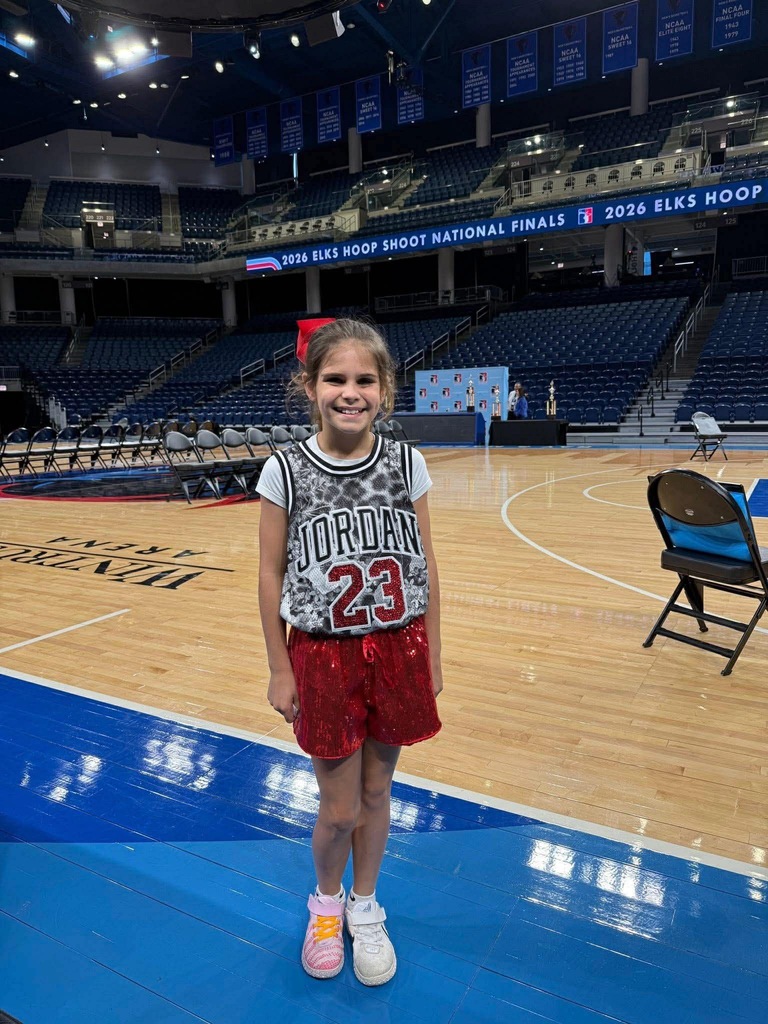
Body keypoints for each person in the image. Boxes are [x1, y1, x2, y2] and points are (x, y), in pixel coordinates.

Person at [257, 317, 443, 988]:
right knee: (337, 808)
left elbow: (426, 564)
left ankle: (367, 907)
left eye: (365, 379)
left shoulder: (406, 462)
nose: (350, 391)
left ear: (386, 389)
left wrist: (434, 654)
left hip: (398, 647)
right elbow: (269, 573)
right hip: (323, 654)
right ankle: (325, 907)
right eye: (335, 378)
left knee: (377, 789)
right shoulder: (284, 469)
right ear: (308, 386)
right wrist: (281, 666)